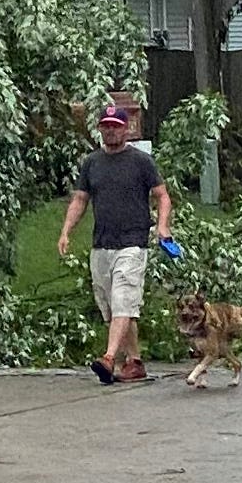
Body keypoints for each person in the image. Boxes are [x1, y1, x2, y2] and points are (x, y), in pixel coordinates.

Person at [57, 93, 174, 385]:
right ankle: (134, 362)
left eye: (116, 126)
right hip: (102, 245)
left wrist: (162, 227)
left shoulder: (141, 162)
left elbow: (162, 196)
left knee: (124, 299)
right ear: (100, 129)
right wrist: (66, 231)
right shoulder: (92, 163)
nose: (111, 130)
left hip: (132, 243)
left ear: (126, 128)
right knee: (115, 308)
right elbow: (80, 200)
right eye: (106, 126)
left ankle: (108, 358)